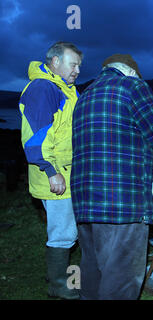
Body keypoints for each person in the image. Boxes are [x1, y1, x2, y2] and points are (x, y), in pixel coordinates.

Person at [71, 54, 153, 300]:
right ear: (131, 71)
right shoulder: (133, 86)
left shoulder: (83, 96)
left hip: (84, 202)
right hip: (122, 203)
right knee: (122, 278)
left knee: (93, 270)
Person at [19, 41, 83, 299]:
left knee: (68, 228)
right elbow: (35, 136)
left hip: (66, 172)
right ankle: (59, 286)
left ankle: (58, 276)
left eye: (79, 65)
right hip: (55, 175)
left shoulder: (64, 89)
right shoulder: (44, 88)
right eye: (73, 64)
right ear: (54, 62)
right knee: (63, 232)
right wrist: (50, 170)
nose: (77, 70)